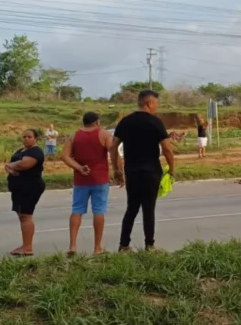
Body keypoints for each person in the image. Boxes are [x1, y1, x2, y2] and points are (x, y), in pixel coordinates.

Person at [110, 90, 175, 252]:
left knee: (131, 208)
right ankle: (149, 245)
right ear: (149, 103)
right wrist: (172, 169)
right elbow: (167, 149)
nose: (156, 107)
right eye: (156, 104)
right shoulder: (156, 122)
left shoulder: (125, 121)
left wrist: (116, 169)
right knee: (148, 209)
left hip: (132, 171)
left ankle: (123, 245)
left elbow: (113, 147)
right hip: (151, 171)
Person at [62, 112, 112, 256]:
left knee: (77, 210)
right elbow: (113, 152)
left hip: (80, 179)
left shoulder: (74, 136)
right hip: (100, 178)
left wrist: (78, 167)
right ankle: (97, 248)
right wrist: (120, 171)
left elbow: (64, 156)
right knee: (99, 210)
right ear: (97, 122)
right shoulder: (104, 134)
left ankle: (72, 246)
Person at [6, 129, 46, 257]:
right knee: (21, 215)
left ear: (36, 138)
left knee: (26, 215)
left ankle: (28, 247)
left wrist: (12, 165)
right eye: (24, 137)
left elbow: (24, 165)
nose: (26, 139)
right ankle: (25, 245)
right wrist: (12, 168)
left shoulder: (36, 151)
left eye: (29, 137)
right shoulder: (20, 151)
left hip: (30, 187)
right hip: (19, 187)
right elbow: (8, 166)